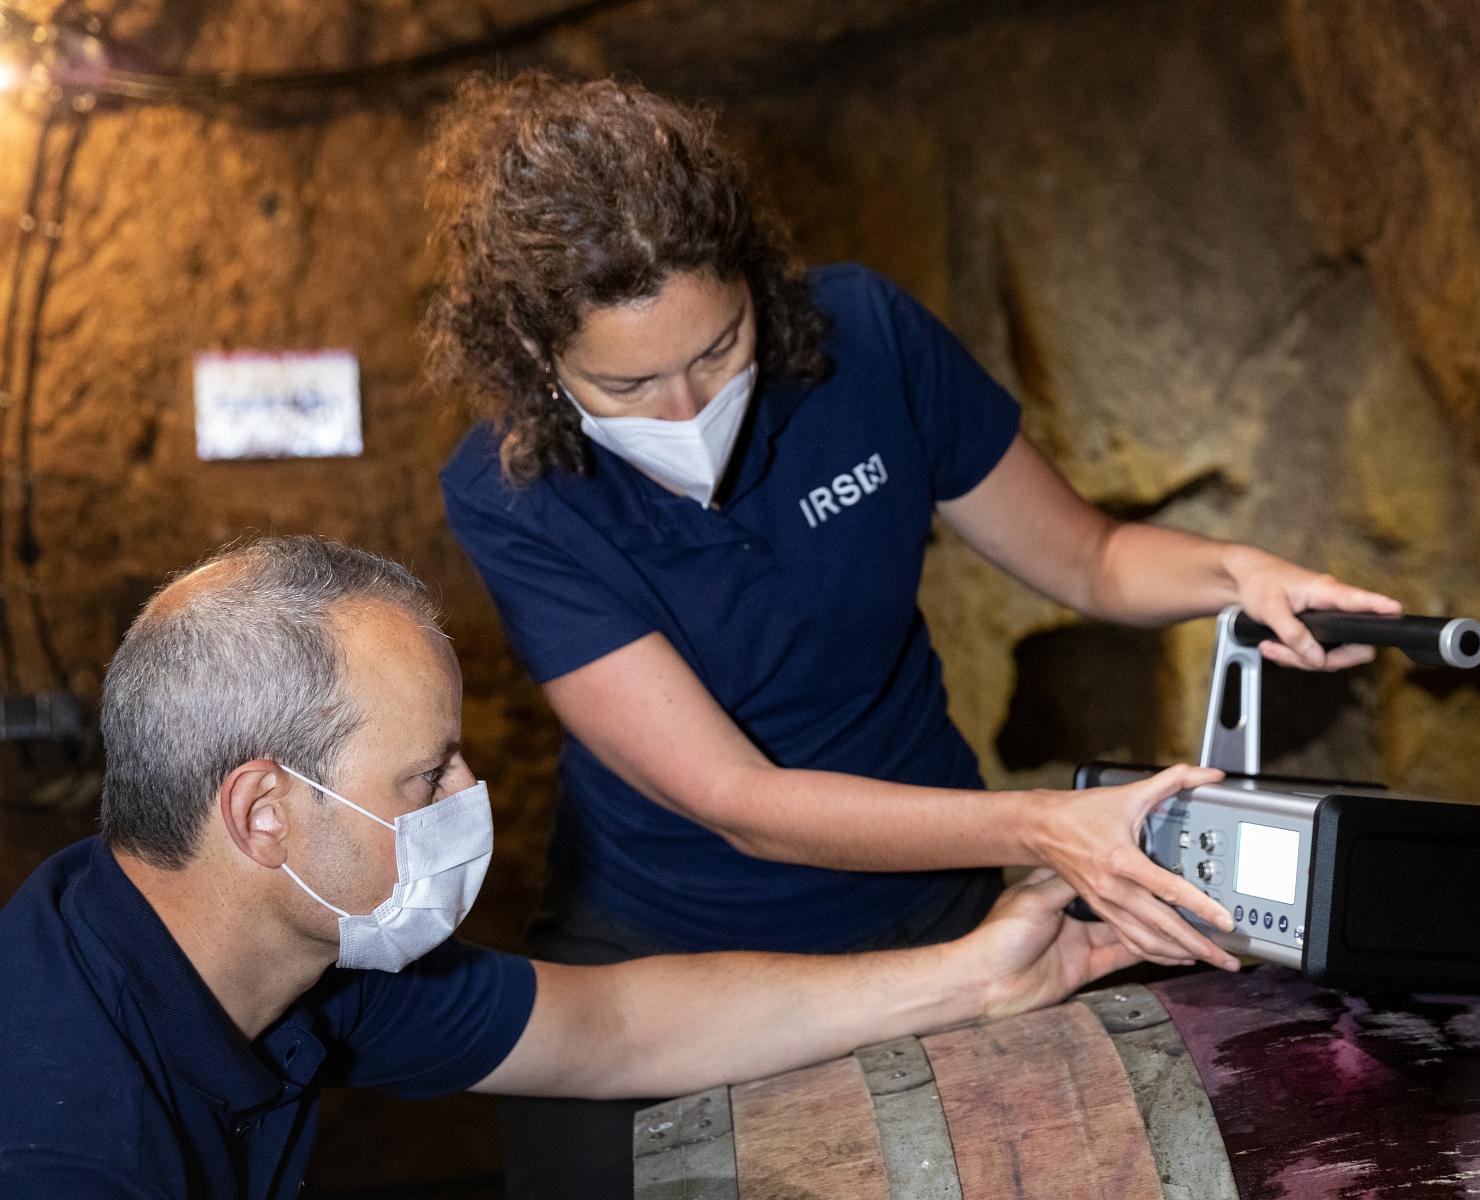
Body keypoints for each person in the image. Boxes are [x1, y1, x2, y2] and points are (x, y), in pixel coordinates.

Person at [427, 72, 1401, 1192]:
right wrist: (1043, 827)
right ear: (534, 358)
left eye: (719, 347)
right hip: (671, 936)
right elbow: (737, 803)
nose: (689, 411)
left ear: (756, 280)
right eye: (630, 382)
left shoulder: (866, 342)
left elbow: (1086, 556)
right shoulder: (513, 491)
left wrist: (1239, 573)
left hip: (935, 891)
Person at [0, 536, 1151, 1199]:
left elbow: (616, 1027)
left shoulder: (268, 953)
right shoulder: (64, 1138)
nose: (469, 804)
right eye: (426, 774)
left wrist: (978, 977)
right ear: (263, 813)